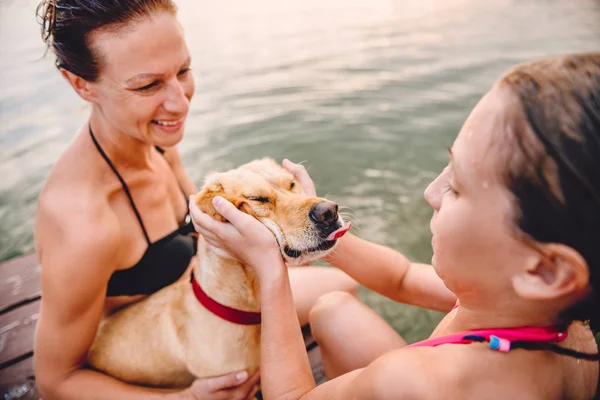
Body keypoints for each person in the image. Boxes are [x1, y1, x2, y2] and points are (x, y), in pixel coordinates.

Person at [190, 52, 600, 399]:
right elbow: (400, 278)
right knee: (333, 309)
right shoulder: (554, 314)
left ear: (545, 271)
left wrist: (270, 270)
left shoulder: (417, 380)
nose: (430, 192)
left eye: (456, 186)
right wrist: (319, 227)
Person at [33, 1, 357, 399]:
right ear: (82, 85)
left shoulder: (154, 142)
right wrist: (181, 399)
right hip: (154, 350)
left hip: (200, 300)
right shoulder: (82, 221)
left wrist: (280, 206)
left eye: (183, 71)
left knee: (342, 285)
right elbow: (55, 381)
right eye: (147, 85)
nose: (181, 103)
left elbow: (207, 232)